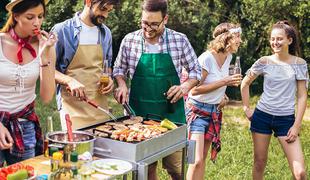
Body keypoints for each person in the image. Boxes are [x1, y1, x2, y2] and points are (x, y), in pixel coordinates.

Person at [113, 0, 201, 179]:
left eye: (154, 24)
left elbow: (196, 71)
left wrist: (184, 87)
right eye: (145, 22)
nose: (148, 28)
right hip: (139, 116)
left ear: (165, 19)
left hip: (171, 114)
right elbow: (119, 69)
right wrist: (121, 84)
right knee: (145, 168)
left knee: (176, 170)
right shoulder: (130, 40)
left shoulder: (179, 40)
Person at [240, 21, 308, 180]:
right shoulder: (264, 61)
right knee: (259, 162)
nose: (275, 42)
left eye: (279, 39)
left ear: (289, 40)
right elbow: (245, 83)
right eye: (272, 39)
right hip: (262, 117)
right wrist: (246, 108)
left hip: (286, 121)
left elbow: (302, 95)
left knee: (300, 173)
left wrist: (296, 126)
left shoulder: (299, 64)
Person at [0, 0, 57, 166]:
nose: (37, 22)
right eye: (30, 17)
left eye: (40, 16)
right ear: (16, 16)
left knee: (27, 174)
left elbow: (46, 97)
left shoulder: (46, 46)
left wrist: (44, 54)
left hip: (24, 125)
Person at [185, 23, 243, 180]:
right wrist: (224, 82)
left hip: (214, 112)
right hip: (197, 111)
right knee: (195, 160)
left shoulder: (228, 57)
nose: (240, 40)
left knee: (202, 159)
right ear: (226, 38)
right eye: (237, 36)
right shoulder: (206, 59)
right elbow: (194, 90)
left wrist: (222, 96)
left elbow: (216, 83)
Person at [52, 0, 119, 130]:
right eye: (103, 9)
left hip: (99, 107)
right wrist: (69, 80)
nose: (105, 15)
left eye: (108, 11)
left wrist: (109, 78)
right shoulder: (62, 30)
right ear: (88, 2)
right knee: (77, 149)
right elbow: (47, 70)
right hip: (72, 108)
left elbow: (107, 65)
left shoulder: (106, 34)